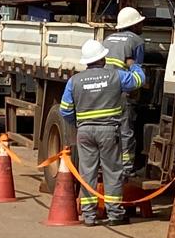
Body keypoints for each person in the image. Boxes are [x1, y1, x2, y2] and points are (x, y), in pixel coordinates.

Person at [59, 38, 145, 226]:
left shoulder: (74, 81)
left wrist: (79, 123)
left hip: (85, 132)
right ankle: (115, 215)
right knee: (112, 172)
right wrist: (134, 65)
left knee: (87, 171)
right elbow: (139, 80)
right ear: (103, 59)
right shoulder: (116, 76)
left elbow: (65, 109)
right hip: (109, 132)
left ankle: (89, 216)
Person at [102, 6, 146, 176]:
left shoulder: (108, 39)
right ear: (134, 25)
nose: (142, 26)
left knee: (107, 128)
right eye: (140, 23)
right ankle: (127, 167)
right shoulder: (137, 41)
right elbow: (137, 70)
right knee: (125, 130)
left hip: (104, 90)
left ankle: (105, 162)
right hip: (121, 91)